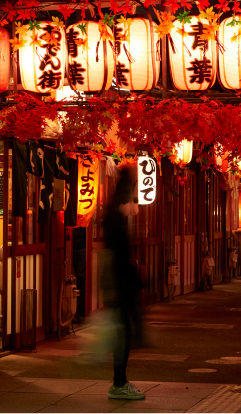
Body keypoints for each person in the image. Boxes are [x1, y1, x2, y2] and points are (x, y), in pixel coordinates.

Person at [102, 166, 146, 401]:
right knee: (124, 333)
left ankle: (120, 381)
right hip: (120, 284)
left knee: (124, 332)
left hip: (118, 282)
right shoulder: (115, 219)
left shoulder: (112, 215)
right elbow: (118, 255)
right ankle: (119, 383)